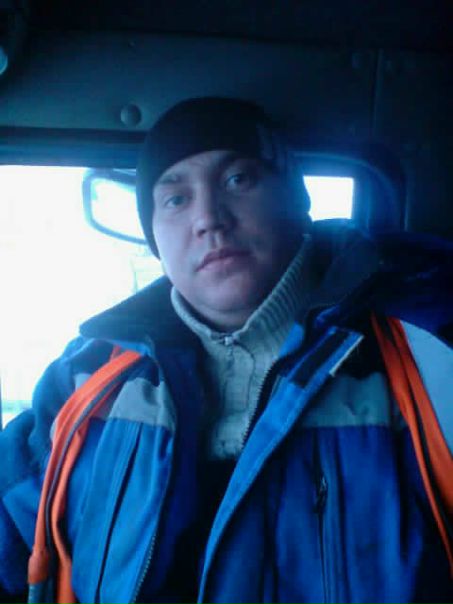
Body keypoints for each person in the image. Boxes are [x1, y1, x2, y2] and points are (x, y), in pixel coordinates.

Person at [0, 97, 452, 604]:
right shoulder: (86, 380)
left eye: (238, 179)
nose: (208, 219)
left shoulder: (424, 356)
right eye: (175, 199)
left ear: (295, 199)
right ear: (154, 236)